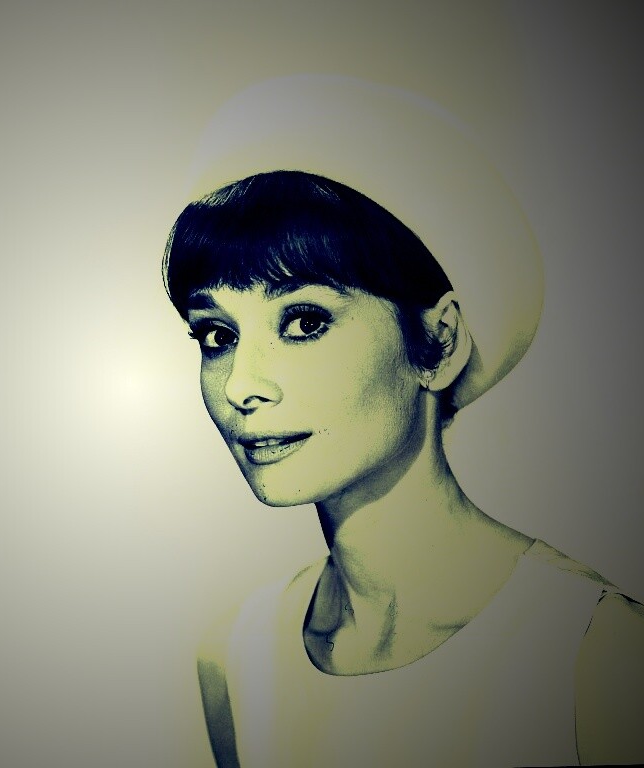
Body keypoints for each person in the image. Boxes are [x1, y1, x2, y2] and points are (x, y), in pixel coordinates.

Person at [165, 77, 644, 767]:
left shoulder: (596, 658)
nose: (242, 385)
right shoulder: (236, 663)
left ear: (439, 343)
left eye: (304, 321)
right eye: (217, 335)